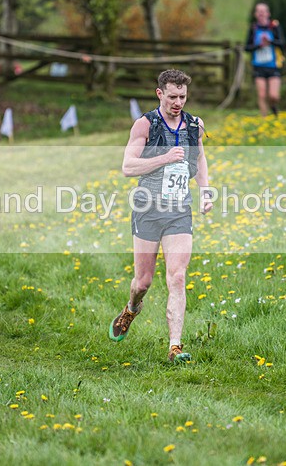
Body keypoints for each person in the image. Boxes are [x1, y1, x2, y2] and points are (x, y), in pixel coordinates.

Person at [109, 69, 213, 363]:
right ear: (160, 94)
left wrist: (206, 190)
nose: (178, 102)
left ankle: (175, 347)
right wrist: (164, 158)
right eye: (172, 97)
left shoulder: (194, 124)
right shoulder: (145, 124)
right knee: (143, 282)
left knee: (178, 277)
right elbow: (128, 167)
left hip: (179, 210)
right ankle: (131, 308)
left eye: (182, 96)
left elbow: (200, 157)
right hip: (148, 209)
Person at [245, 2, 285, 117]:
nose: (261, 13)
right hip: (258, 65)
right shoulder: (253, 29)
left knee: (274, 95)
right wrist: (259, 46)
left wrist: (270, 42)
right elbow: (247, 47)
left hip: (273, 65)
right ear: (255, 14)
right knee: (262, 95)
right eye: (259, 11)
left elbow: (282, 43)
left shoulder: (274, 27)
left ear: (268, 13)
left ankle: (273, 106)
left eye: (263, 11)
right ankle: (264, 119)